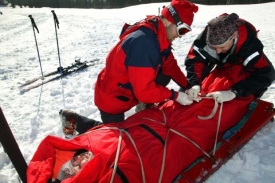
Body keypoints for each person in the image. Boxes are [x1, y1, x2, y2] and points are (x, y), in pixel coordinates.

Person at [94, 0, 198, 123]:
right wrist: (175, 95)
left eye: (186, 32)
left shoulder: (158, 34)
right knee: (115, 137)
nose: (181, 36)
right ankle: (78, 121)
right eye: (182, 30)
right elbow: (143, 92)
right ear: (167, 20)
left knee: (164, 76)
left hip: (128, 89)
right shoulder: (144, 43)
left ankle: (144, 107)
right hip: (113, 98)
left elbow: (170, 66)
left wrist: (186, 86)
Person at [184, 13, 275, 102]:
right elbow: (194, 59)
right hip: (222, 64)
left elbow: (266, 75)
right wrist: (194, 83)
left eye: (222, 47)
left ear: (234, 35)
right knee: (195, 87)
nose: (218, 51)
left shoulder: (250, 48)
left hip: (243, 68)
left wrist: (234, 92)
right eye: (213, 47)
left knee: (242, 95)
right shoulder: (210, 32)